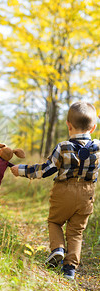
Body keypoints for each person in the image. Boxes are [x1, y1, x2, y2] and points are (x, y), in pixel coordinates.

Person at [11, 102, 100, 280]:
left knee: (55, 222)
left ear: (68, 124)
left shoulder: (63, 147)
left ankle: (58, 249)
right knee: (76, 231)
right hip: (87, 194)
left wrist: (21, 170)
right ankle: (69, 269)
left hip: (63, 192)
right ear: (93, 127)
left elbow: (46, 170)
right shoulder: (98, 147)